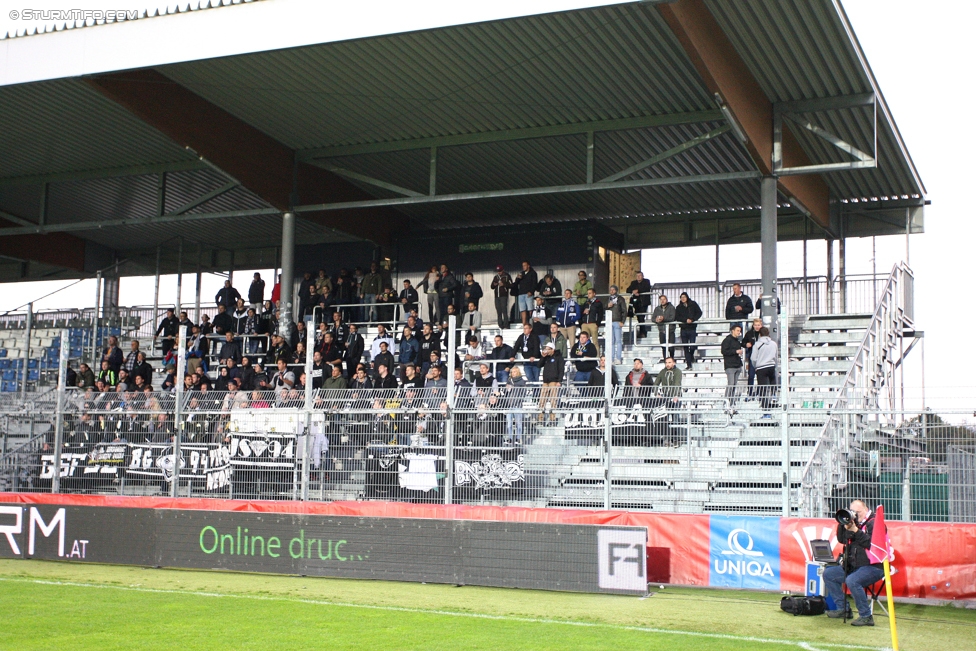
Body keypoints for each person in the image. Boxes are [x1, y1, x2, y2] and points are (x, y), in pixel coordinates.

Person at [823, 500, 884, 626]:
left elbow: (871, 545)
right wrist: (842, 523)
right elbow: (841, 539)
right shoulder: (854, 522)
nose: (856, 515)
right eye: (853, 512)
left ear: (866, 509)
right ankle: (843, 609)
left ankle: (866, 616)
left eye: (858, 512)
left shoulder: (875, 523)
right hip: (854, 565)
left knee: (852, 581)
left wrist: (856, 530)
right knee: (829, 574)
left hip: (873, 566)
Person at [751, 327, 778, 410]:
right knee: (772, 382)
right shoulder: (774, 344)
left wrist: (755, 365)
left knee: (762, 387)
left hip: (761, 367)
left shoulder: (757, 344)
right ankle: (774, 397)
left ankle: (765, 405)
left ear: (760, 334)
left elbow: (753, 358)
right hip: (771, 365)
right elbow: (776, 356)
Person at [675, 292, 703, 370]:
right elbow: (677, 317)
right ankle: (689, 364)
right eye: (681, 297)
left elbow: (699, 312)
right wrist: (685, 320)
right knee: (686, 347)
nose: (683, 298)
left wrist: (693, 319)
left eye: (684, 297)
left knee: (693, 346)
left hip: (692, 328)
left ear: (687, 297)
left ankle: (690, 357)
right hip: (683, 329)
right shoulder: (678, 307)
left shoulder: (693, 304)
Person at [538, 342, 563, 421]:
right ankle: (540, 419)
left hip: (554, 381)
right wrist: (542, 357)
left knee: (553, 401)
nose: (546, 351)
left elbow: (561, 369)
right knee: (542, 400)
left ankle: (552, 419)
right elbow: (539, 365)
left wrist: (559, 381)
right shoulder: (546, 357)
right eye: (546, 349)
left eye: (548, 349)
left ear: (552, 350)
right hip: (545, 381)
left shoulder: (558, 357)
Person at [722, 325, 744, 405]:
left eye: (739, 331)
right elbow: (724, 351)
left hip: (737, 365)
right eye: (737, 330)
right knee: (731, 384)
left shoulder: (737, 341)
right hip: (730, 365)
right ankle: (726, 402)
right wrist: (735, 351)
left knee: (734, 385)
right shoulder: (727, 340)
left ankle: (731, 401)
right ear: (733, 331)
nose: (739, 332)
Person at [651, 294, 676, 362]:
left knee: (671, 347)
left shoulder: (671, 308)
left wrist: (663, 319)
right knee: (663, 347)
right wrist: (656, 320)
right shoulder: (657, 309)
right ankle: (665, 360)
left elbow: (672, 318)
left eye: (664, 299)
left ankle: (671, 359)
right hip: (661, 330)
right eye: (661, 299)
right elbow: (652, 318)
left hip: (670, 330)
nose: (662, 301)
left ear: (667, 300)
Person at [627, 271, 652, 340]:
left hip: (644, 302)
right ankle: (642, 332)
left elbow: (647, 288)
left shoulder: (646, 281)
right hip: (636, 303)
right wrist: (633, 292)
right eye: (637, 276)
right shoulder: (633, 283)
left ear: (642, 276)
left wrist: (637, 291)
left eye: (640, 275)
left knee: (641, 317)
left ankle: (643, 332)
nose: (638, 277)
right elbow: (628, 289)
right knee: (639, 317)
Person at [605, 285, 626, 365]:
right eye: (611, 290)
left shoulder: (620, 299)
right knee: (611, 341)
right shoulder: (608, 299)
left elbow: (624, 310)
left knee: (618, 341)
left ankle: (618, 358)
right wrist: (608, 306)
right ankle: (611, 358)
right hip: (609, 322)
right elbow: (604, 308)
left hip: (617, 321)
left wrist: (622, 321)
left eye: (613, 289)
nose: (612, 291)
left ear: (616, 290)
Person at [742, 318, 764, 394]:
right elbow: (743, 343)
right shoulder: (749, 333)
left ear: (761, 325)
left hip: (762, 357)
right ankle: (750, 391)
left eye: (758, 325)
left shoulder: (764, 333)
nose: (757, 327)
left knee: (760, 376)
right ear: (753, 325)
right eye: (755, 325)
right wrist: (746, 344)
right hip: (752, 357)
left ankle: (760, 392)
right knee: (751, 375)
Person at [579, 288, 603, 353]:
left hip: (593, 324)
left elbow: (600, 314)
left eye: (590, 293)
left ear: (594, 294)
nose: (588, 295)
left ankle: (597, 357)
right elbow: (580, 313)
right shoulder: (586, 303)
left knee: (595, 341)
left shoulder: (598, 303)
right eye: (588, 293)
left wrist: (597, 324)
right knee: (584, 341)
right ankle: (584, 356)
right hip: (585, 324)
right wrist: (581, 323)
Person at [515, 260, 538, 326]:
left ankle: (531, 323)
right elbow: (516, 283)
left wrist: (531, 291)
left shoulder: (533, 273)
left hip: (528, 294)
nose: (523, 267)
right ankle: (524, 324)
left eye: (525, 265)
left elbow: (534, 283)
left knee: (530, 309)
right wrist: (518, 278)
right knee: (522, 310)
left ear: (528, 266)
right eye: (522, 266)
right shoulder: (521, 273)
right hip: (521, 294)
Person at [490, 265, 512, 329]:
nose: (499, 272)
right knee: (498, 311)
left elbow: (511, 285)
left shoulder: (507, 276)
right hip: (497, 296)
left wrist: (504, 284)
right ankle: (500, 325)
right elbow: (491, 286)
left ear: (503, 270)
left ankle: (506, 325)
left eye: (500, 271)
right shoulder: (496, 277)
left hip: (503, 296)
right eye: (498, 271)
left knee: (504, 310)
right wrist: (494, 284)